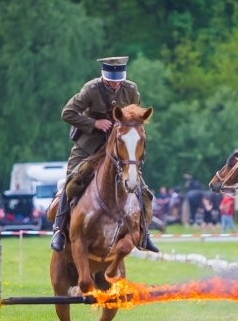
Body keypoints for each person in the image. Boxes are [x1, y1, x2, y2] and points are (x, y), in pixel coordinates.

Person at [50, 56, 159, 254]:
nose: (115, 84)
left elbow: (135, 118)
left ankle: (144, 232)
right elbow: (67, 113)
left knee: (140, 187)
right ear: (104, 76)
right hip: (90, 146)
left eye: (118, 80)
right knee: (71, 181)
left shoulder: (131, 89)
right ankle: (59, 231)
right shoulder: (91, 90)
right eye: (111, 80)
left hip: (119, 147)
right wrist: (94, 123)